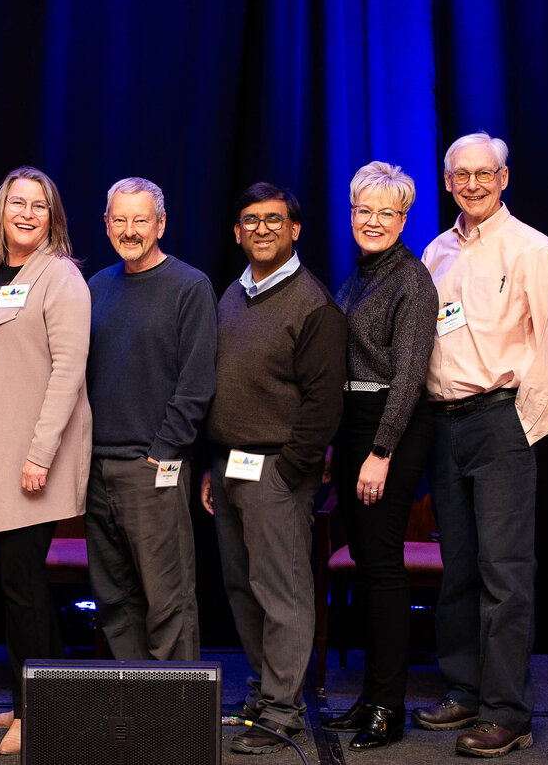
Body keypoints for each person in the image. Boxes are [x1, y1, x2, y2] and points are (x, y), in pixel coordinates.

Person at [412, 132, 548, 758]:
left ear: (504, 178)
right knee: (461, 570)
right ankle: (465, 689)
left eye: (484, 173)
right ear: (447, 182)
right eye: (460, 175)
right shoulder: (436, 251)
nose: (472, 184)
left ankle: (508, 712)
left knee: (505, 573)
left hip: (502, 420)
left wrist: (519, 430)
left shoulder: (531, 247)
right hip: (445, 423)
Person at [0, 166, 92, 756]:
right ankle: (33, 694)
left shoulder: (60, 277)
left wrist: (39, 454)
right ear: (1, 212)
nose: (27, 213)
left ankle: (37, 714)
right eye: (17, 203)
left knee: (23, 586)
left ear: (52, 215)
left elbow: (68, 371)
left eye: (39, 205)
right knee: (18, 585)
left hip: (33, 458)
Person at [200, 182, 346, 755]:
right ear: (237, 232)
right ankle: (265, 693)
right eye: (250, 221)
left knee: (281, 591)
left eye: (274, 220)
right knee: (243, 587)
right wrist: (215, 462)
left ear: (295, 230)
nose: (262, 230)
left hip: (277, 470)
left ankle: (285, 712)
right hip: (229, 463)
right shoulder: (233, 294)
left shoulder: (312, 304)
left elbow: (324, 402)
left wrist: (290, 471)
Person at [320, 162, 437, 750]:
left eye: (385, 213)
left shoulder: (412, 281)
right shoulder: (362, 274)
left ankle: (389, 709)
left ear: (403, 219)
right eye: (363, 210)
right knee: (367, 568)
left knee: (384, 570)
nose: (372, 221)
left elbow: (410, 377)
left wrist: (381, 452)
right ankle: (369, 697)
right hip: (354, 425)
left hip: (389, 429)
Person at [85, 177, 216, 662]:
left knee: (168, 599)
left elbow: (197, 382)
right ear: (106, 223)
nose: (130, 229)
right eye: (120, 219)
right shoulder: (97, 285)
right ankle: (137, 708)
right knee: (114, 598)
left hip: (153, 467)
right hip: (96, 468)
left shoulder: (190, 286)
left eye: (141, 219)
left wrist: (163, 453)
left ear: (161, 223)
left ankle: (176, 718)